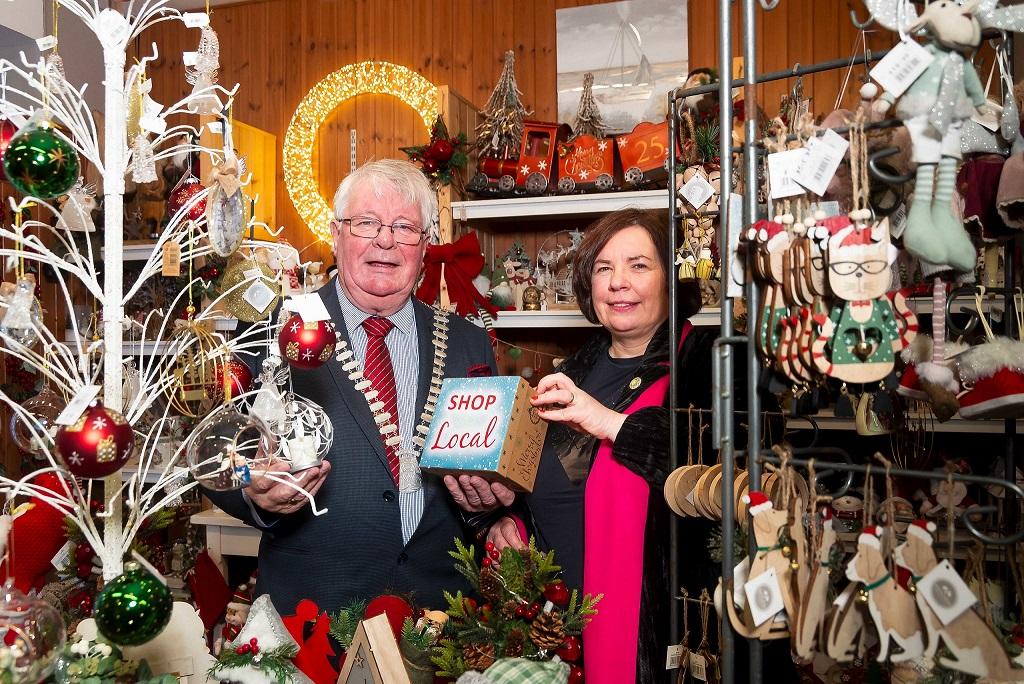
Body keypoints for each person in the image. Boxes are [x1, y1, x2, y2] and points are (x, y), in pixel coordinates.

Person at [206, 159, 498, 616]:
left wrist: (501, 515)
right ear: (336, 234)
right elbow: (211, 454)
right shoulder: (271, 331)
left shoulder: (468, 340)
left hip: (442, 617)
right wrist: (249, 488)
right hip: (313, 614)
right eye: (366, 223)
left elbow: (492, 473)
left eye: (404, 227)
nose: (385, 240)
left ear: (425, 246)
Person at [446, 208, 705, 684]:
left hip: (654, 639)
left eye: (639, 266)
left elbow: (706, 467)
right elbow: (545, 484)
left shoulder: (703, 362)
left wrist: (607, 421)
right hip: (554, 634)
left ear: (672, 278)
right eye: (604, 269)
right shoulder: (574, 371)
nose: (617, 283)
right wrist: (510, 521)